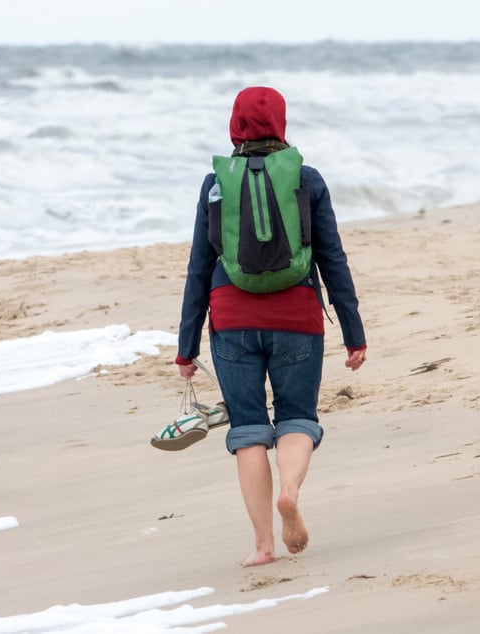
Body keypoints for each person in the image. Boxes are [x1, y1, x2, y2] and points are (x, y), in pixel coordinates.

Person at [175, 86, 367, 567]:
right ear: (281, 123)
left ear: (235, 126)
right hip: (297, 316)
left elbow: (199, 265)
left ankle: (263, 546)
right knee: (297, 417)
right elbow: (333, 258)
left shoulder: (214, 184)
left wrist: (185, 346)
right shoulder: (307, 179)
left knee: (248, 430)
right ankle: (291, 491)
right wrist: (353, 331)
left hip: (233, 320)